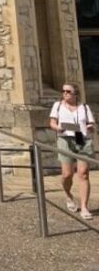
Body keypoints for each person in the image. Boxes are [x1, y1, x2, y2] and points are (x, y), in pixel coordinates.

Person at [49, 83, 95, 220]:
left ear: (76, 93)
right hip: (64, 139)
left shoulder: (84, 107)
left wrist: (90, 127)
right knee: (67, 174)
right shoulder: (57, 106)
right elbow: (52, 123)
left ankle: (84, 207)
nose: (65, 93)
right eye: (63, 91)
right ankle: (68, 194)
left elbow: (91, 123)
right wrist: (57, 128)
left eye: (68, 91)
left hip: (82, 138)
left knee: (83, 174)